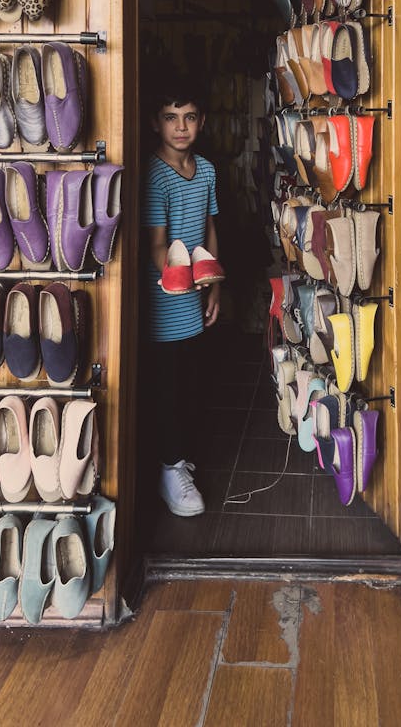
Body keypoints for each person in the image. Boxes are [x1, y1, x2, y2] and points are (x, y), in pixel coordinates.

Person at [141, 79, 222, 517]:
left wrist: (214, 283)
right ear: (157, 123)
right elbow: (155, 245)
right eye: (171, 118)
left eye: (189, 117)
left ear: (201, 122)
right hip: (165, 300)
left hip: (193, 293)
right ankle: (170, 470)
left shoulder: (207, 170)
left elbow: (210, 230)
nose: (181, 127)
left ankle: (176, 459)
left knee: (190, 382)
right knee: (167, 387)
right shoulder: (155, 176)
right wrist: (180, 280)